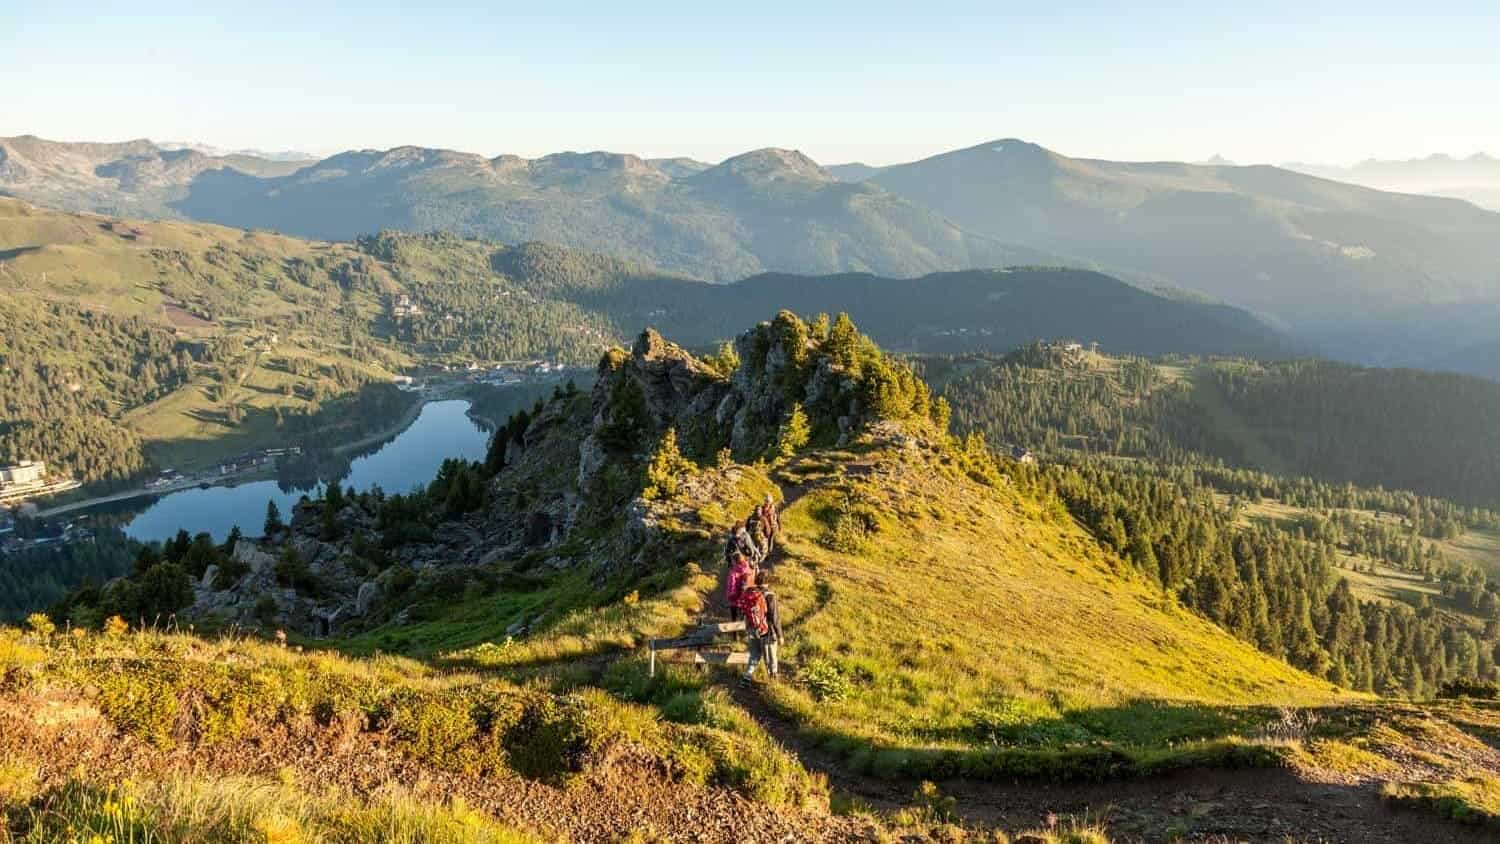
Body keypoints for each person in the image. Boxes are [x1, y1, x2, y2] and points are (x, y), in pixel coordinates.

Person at [737, 569, 775, 684]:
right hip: (764, 629)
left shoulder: (748, 593)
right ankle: (773, 680)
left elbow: (742, 610)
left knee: (754, 654)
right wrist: (777, 633)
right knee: (769, 656)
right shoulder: (767, 595)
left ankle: (747, 677)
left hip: (751, 628)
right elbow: (772, 616)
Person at [725, 552, 752, 623]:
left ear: (735, 561)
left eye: (732, 560)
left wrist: (730, 597)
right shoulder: (748, 569)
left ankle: (735, 633)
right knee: (746, 617)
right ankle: (746, 630)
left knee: (734, 618)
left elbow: (732, 586)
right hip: (747, 599)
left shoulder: (734, 573)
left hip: (735, 600)